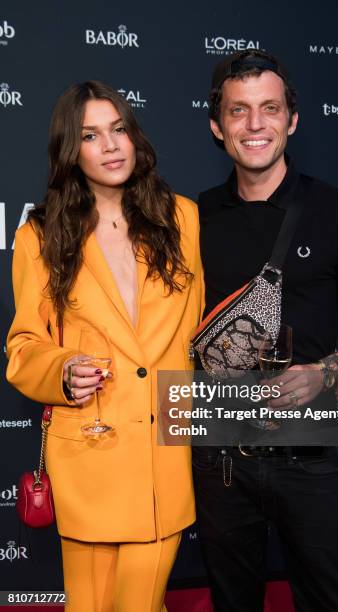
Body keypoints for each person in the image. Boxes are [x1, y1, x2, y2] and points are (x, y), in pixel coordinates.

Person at [192, 50, 338, 612]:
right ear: (217, 125)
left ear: (292, 119)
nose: (255, 125)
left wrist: (326, 371)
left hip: (308, 454)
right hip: (222, 461)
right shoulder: (190, 219)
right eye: (239, 111)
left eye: (270, 108)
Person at [6, 80, 203, 612]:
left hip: (164, 451)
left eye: (118, 129)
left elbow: (200, 330)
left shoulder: (182, 219)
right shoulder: (41, 235)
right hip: (91, 453)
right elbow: (24, 346)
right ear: (71, 151)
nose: (111, 145)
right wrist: (64, 369)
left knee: (139, 604)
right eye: (91, 135)